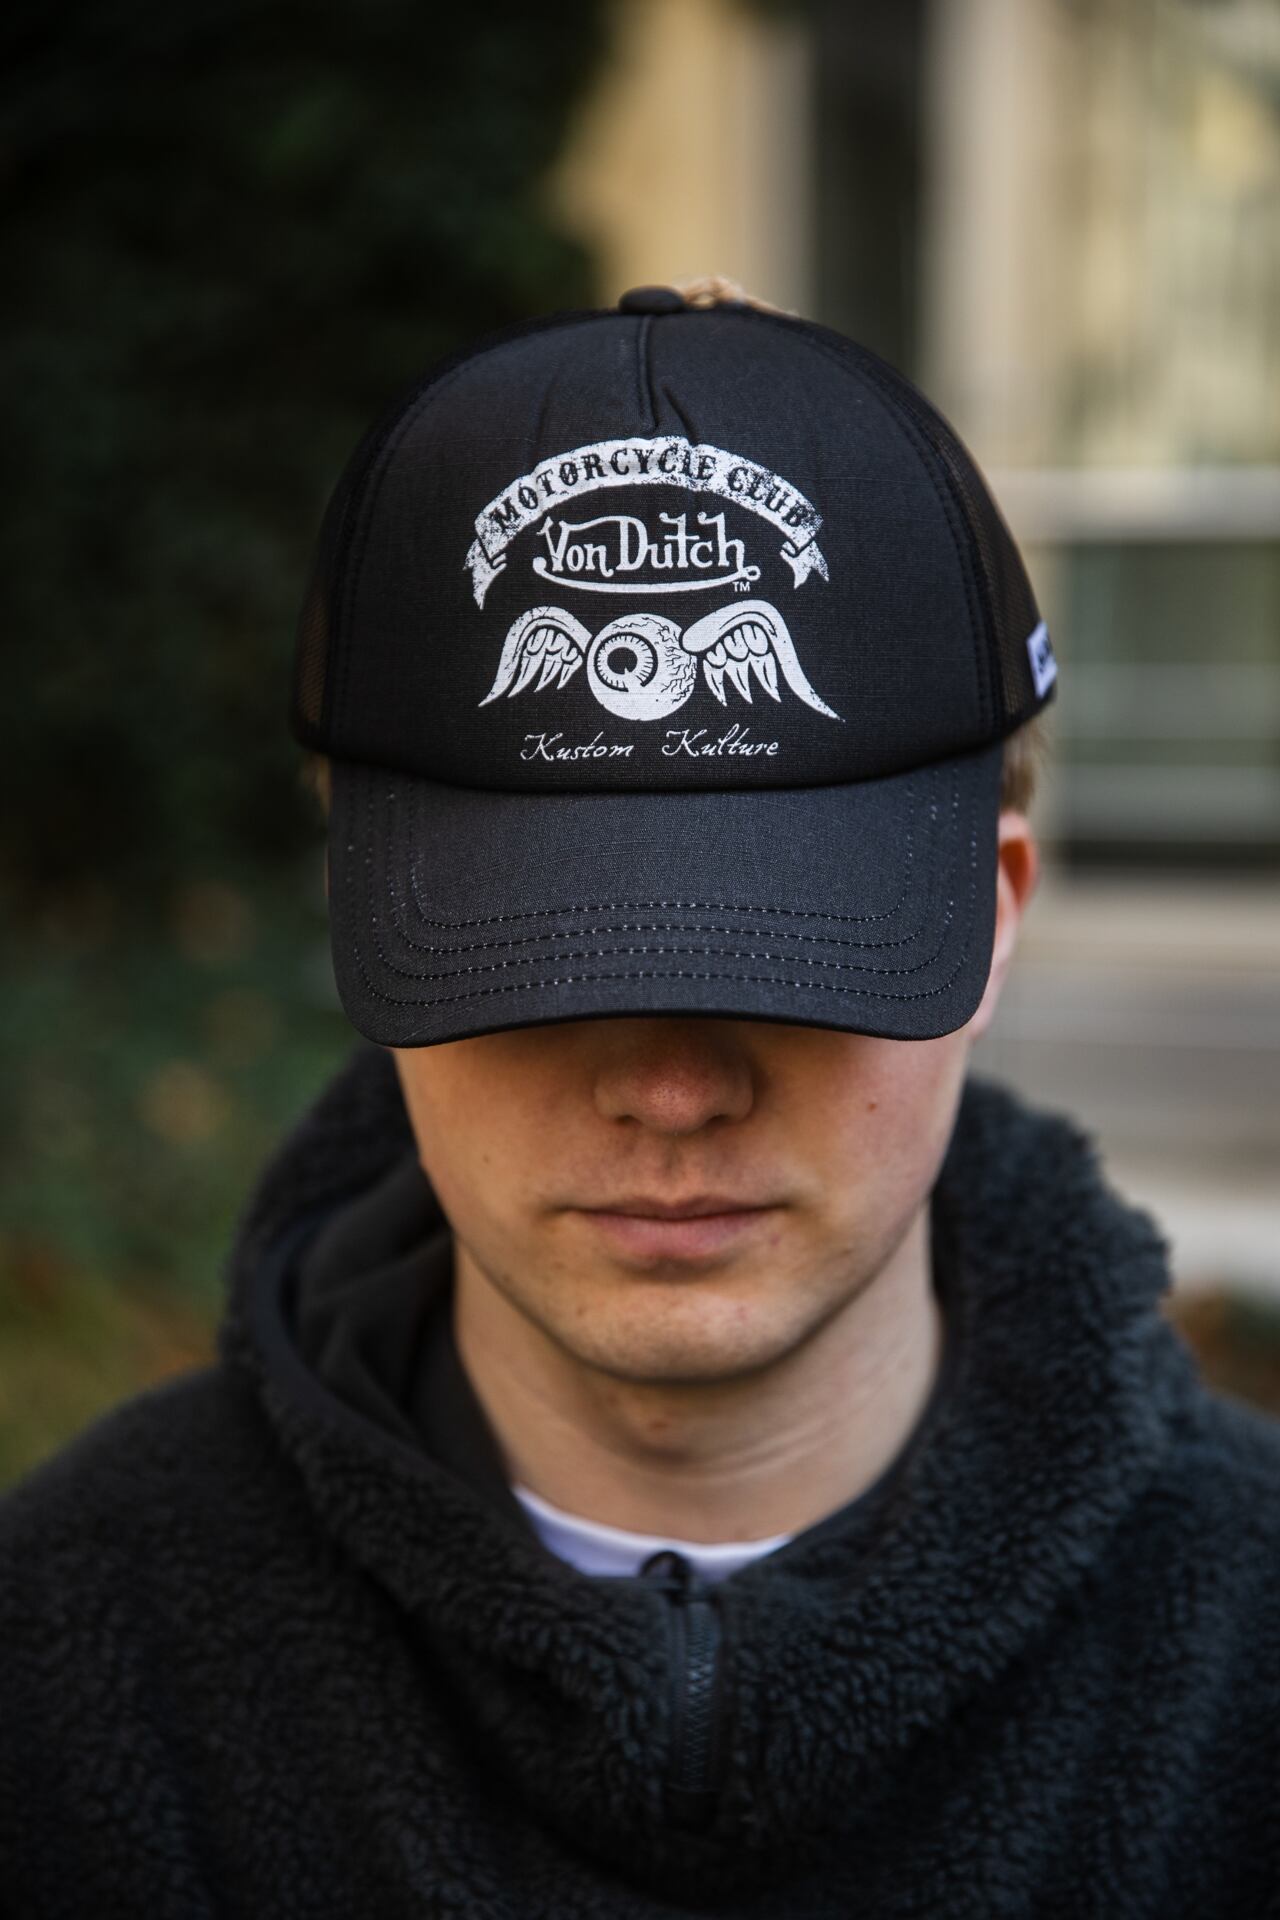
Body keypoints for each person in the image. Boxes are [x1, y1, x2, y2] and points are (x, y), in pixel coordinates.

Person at [3, 282, 1279, 1920]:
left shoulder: (1247, 1681)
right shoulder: (66, 1671)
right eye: (544, 959)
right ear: (360, 918)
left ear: (994, 913)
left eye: (795, 956)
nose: (673, 1091)